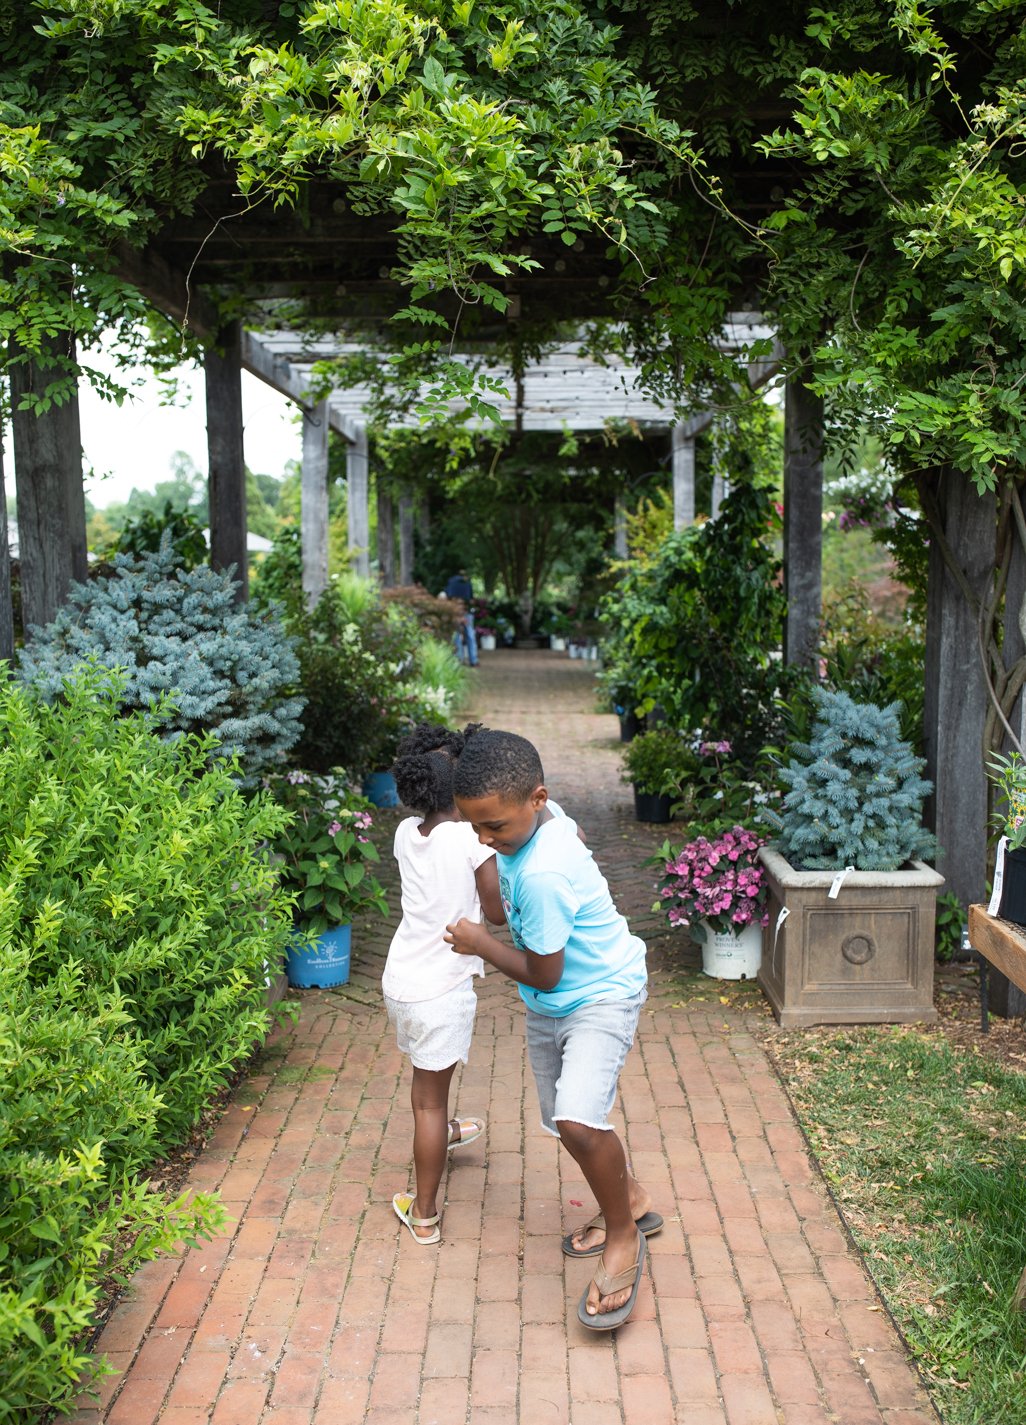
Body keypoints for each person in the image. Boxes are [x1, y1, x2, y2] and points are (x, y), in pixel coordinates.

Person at [445, 728, 661, 1330]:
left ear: (536, 799)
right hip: (554, 1003)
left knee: (577, 1121)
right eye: (475, 829)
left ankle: (623, 1236)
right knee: (564, 1123)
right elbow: (569, 830)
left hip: (600, 995)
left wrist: (481, 943)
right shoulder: (544, 818)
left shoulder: (540, 875)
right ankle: (632, 1196)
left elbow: (542, 968)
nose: (486, 842)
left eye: (495, 828)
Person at [383, 723, 504, 1245]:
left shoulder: (405, 833)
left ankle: (445, 1133)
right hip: (441, 989)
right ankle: (425, 1213)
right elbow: (495, 915)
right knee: (428, 1104)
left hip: (401, 981)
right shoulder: (472, 840)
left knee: (427, 1087)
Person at [444, 568, 478, 667]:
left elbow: (448, 596)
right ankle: (473, 660)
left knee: (456, 636)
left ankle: (458, 660)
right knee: (470, 635)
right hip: (466, 612)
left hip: (455, 612)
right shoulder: (467, 583)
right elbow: (471, 599)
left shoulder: (451, 582)